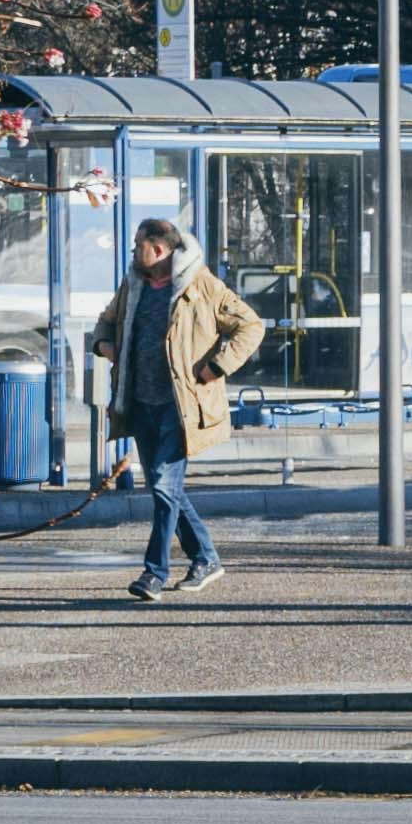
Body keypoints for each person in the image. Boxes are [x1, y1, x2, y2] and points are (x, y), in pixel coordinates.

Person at [96, 212, 263, 594]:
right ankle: (206, 557)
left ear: (157, 249)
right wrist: (105, 345)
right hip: (139, 403)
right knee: (165, 486)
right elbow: (105, 322)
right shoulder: (133, 284)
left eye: (138, 245)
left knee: (164, 489)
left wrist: (215, 367)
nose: (134, 252)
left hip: (180, 406)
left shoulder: (201, 285)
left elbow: (251, 325)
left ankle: (154, 572)